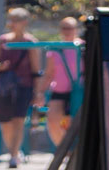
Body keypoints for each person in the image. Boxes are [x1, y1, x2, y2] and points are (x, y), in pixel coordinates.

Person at [0, 8, 39, 168]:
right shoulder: (3, 40)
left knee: (18, 120)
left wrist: (38, 92)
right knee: (5, 121)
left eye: (15, 20)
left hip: (24, 86)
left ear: (24, 22)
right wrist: (0, 66)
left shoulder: (31, 42)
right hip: (4, 87)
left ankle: (13, 155)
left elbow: (35, 69)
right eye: (10, 19)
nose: (11, 23)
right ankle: (14, 151)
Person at [42, 16, 84, 151]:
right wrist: (39, 92)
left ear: (76, 29)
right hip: (59, 90)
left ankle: (77, 152)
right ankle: (64, 152)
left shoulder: (83, 47)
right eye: (64, 28)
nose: (67, 31)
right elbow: (49, 73)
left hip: (79, 90)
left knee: (75, 123)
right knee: (53, 120)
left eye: (70, 28)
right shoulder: (55, 49)